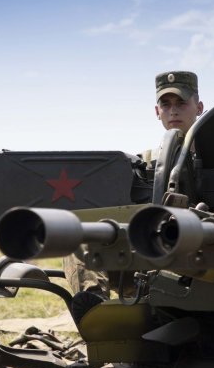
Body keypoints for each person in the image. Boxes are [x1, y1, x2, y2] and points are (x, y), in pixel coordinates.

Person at [63, 70, 203, 321]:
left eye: (181, 103)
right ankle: (96, 310)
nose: (173, 111)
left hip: (203, 263)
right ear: (156, 111)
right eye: (166, 104)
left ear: (199, 107)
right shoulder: (143, 162)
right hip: (145, 264)